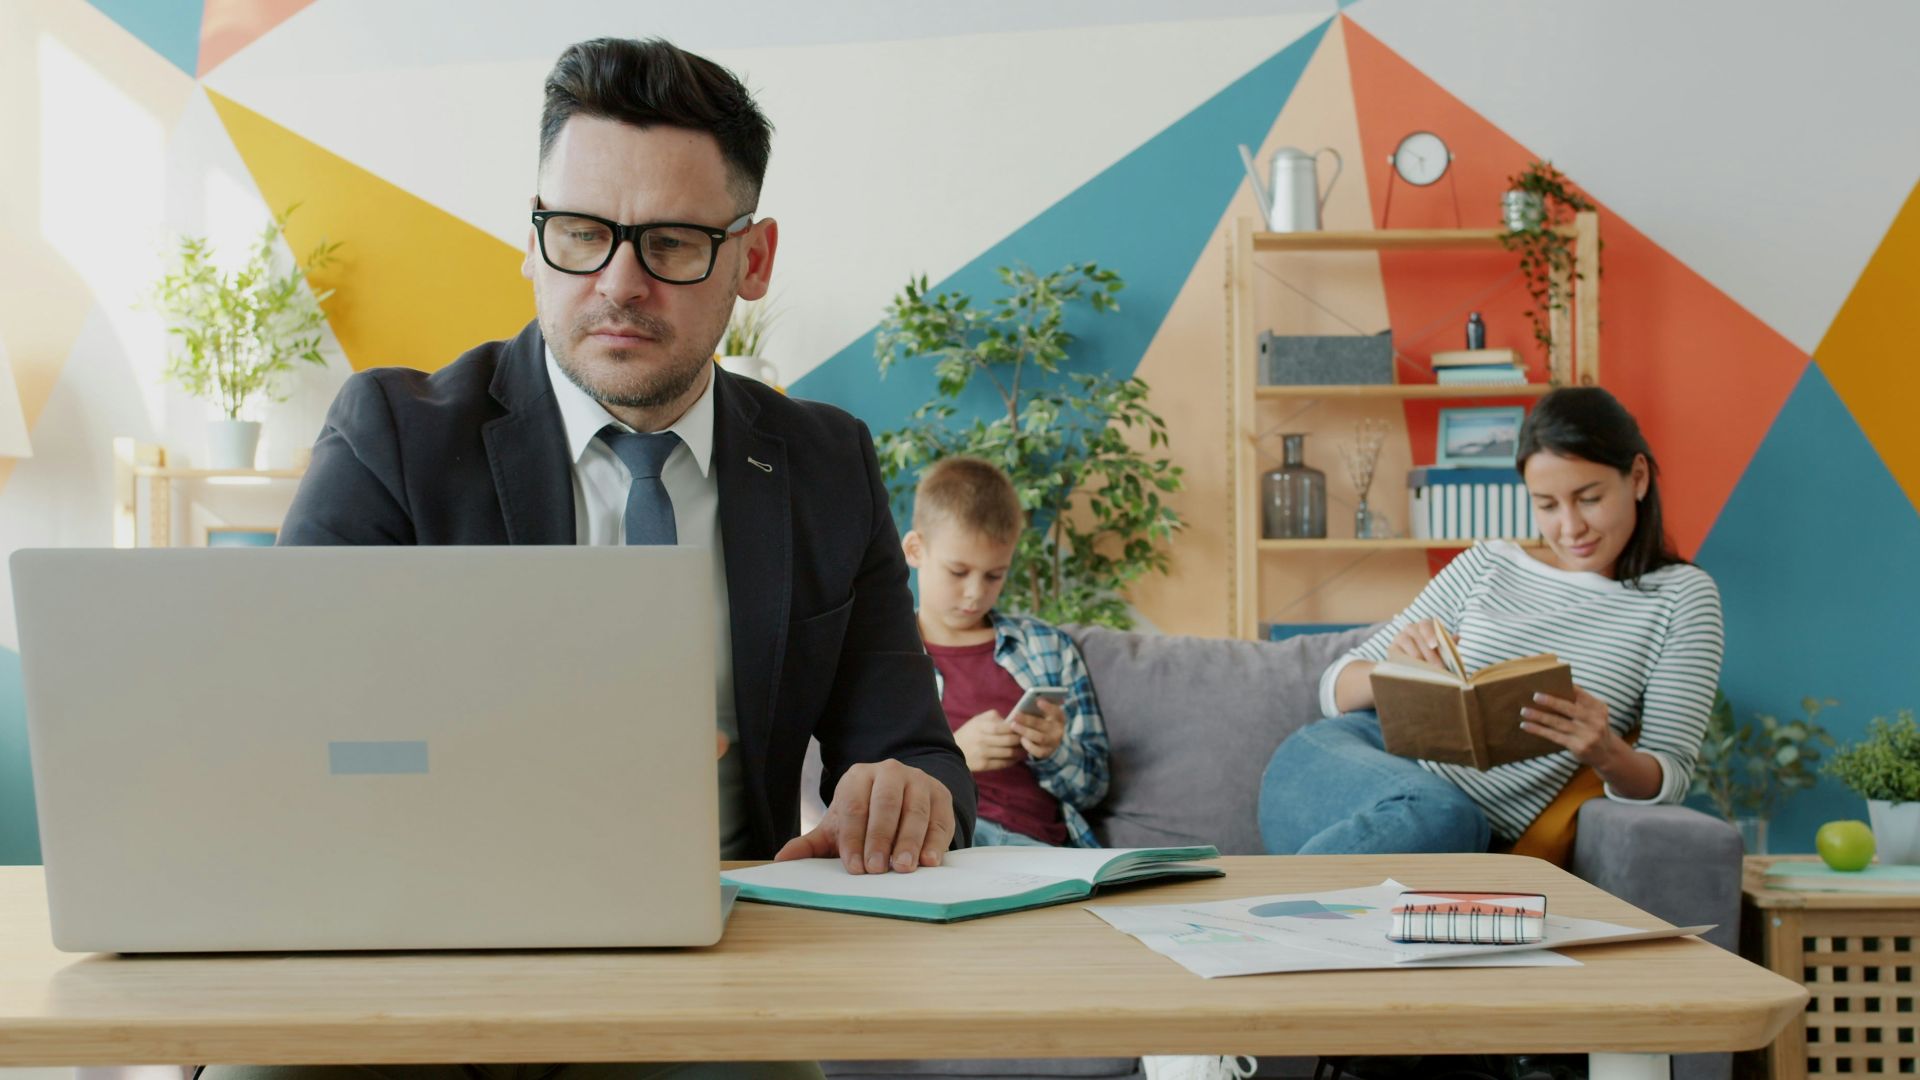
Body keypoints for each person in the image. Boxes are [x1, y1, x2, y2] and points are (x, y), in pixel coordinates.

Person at [232, 35, 976, 1080]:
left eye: (672, 243)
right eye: (582, 233)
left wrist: (906, 795)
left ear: (751, 261)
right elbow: (286, 752)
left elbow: (916, 752)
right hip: (422, 957)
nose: (619, 283)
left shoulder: (824, 462)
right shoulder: (395, 437)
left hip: (718, 975)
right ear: (532, 239)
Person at [1257, 387, 1725, 856]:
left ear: (1638, 477)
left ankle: (1271, 914)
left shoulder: (1681, 598)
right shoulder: (1488, 563)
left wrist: (1605, 751)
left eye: (1588, 498)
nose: (1569, 527)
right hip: (1344, 762)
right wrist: (1398, 672)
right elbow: (1333, 688)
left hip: (1446, 834)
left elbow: (1670, 775)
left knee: (1452, 820)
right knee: (1444, 815)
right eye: (1546, 505)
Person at [900, 456, 1109, 848]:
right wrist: (951, 757)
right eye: (958, 572)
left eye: (995, 575)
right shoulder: (888, 656)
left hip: (1038, 849)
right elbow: (856, 783)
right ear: (915, 550)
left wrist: (1054, 751)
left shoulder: (1048, 649)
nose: (976, 592)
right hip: (942, 843)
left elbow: (1093, 790)